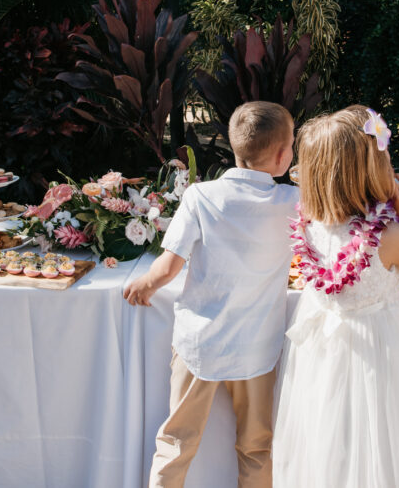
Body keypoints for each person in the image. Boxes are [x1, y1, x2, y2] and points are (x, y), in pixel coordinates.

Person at [124, 100, 299, 488]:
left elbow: (169, 267)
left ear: (234, 147)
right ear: (283, 155)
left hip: (201, 344)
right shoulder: (292, 203)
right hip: (257, 347)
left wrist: (145, 285)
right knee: (256, 448)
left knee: (176, 442)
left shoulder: (201, 196)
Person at [272, 105, 399, 488]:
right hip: (375, 359)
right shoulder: (389, 236)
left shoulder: (308, 225)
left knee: (325, 443)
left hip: (319, 359)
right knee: (376, 449)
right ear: (370, 170)